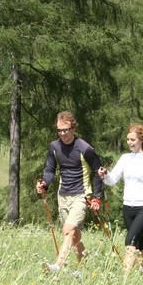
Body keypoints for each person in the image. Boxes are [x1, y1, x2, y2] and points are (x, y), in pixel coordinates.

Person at [36, 111, 104, 272]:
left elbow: (98, 172)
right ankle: (86, 270)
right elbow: (50, 170)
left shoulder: (85, 148)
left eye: (65, 130)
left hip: (81, 196)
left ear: (73, 128)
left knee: (68, 230)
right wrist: (44, 183)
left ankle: (57, 266)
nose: (62, 134)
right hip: (63, 196)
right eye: (59, 130)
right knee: (74, 237)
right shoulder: (54, 147)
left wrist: (96, 198)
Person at [98, 123, 143, 272]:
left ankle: (124, 278)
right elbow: (112, 179)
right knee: (138, 242)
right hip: (128, 208)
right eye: (128, 139)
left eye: (132, 140)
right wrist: (105, 174)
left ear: (141, 140)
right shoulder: (125, 158)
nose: (129, 142)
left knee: (130, 240)